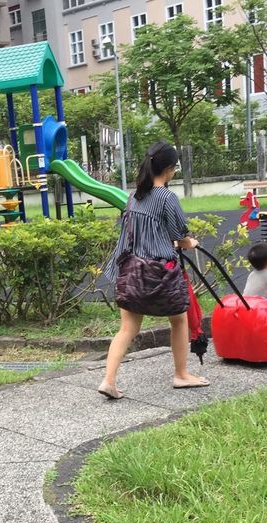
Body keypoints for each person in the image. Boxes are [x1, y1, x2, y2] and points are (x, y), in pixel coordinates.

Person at [99, 141, 209, 399]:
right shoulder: (167, 198)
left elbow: (132, 234)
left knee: (127, 329)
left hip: (133, 271)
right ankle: (181, 374)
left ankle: (108, 380)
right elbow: (179, 236)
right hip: (160, 273)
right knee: (179, 320)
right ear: (169, 169)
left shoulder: (134, 196)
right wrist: (190, 243)